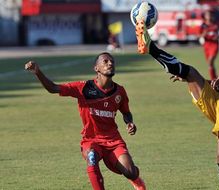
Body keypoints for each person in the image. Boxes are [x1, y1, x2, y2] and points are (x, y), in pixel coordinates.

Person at [136, 19, 219, 190]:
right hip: (218, 101)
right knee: (190, 72)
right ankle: (151, 48)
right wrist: (189, 78)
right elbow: (217, 83)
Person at [24, 52, 146, 190]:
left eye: (112, 61)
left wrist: (129, 122)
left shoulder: (120, 91)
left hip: (113, 140)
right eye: (105, 61)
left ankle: (136, 179)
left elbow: (126, 112)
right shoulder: (83, 88)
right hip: (91, 140)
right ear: (96, 68)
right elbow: (53, 88)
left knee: (130, 172)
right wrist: (37, 72)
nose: (110, 63)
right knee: (92, 158)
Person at [200, 10, 219, 80]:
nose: (209, 16)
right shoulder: (203, 25)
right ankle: (215, 78)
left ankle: (213, 79)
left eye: (210, 15)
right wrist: (203, 34)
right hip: (207, 45)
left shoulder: (216, 24)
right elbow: (199, 35)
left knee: (210, 61)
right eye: (207, 15)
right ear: (205, 16)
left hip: (214, 44)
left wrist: (218, 36)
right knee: (210, 64)